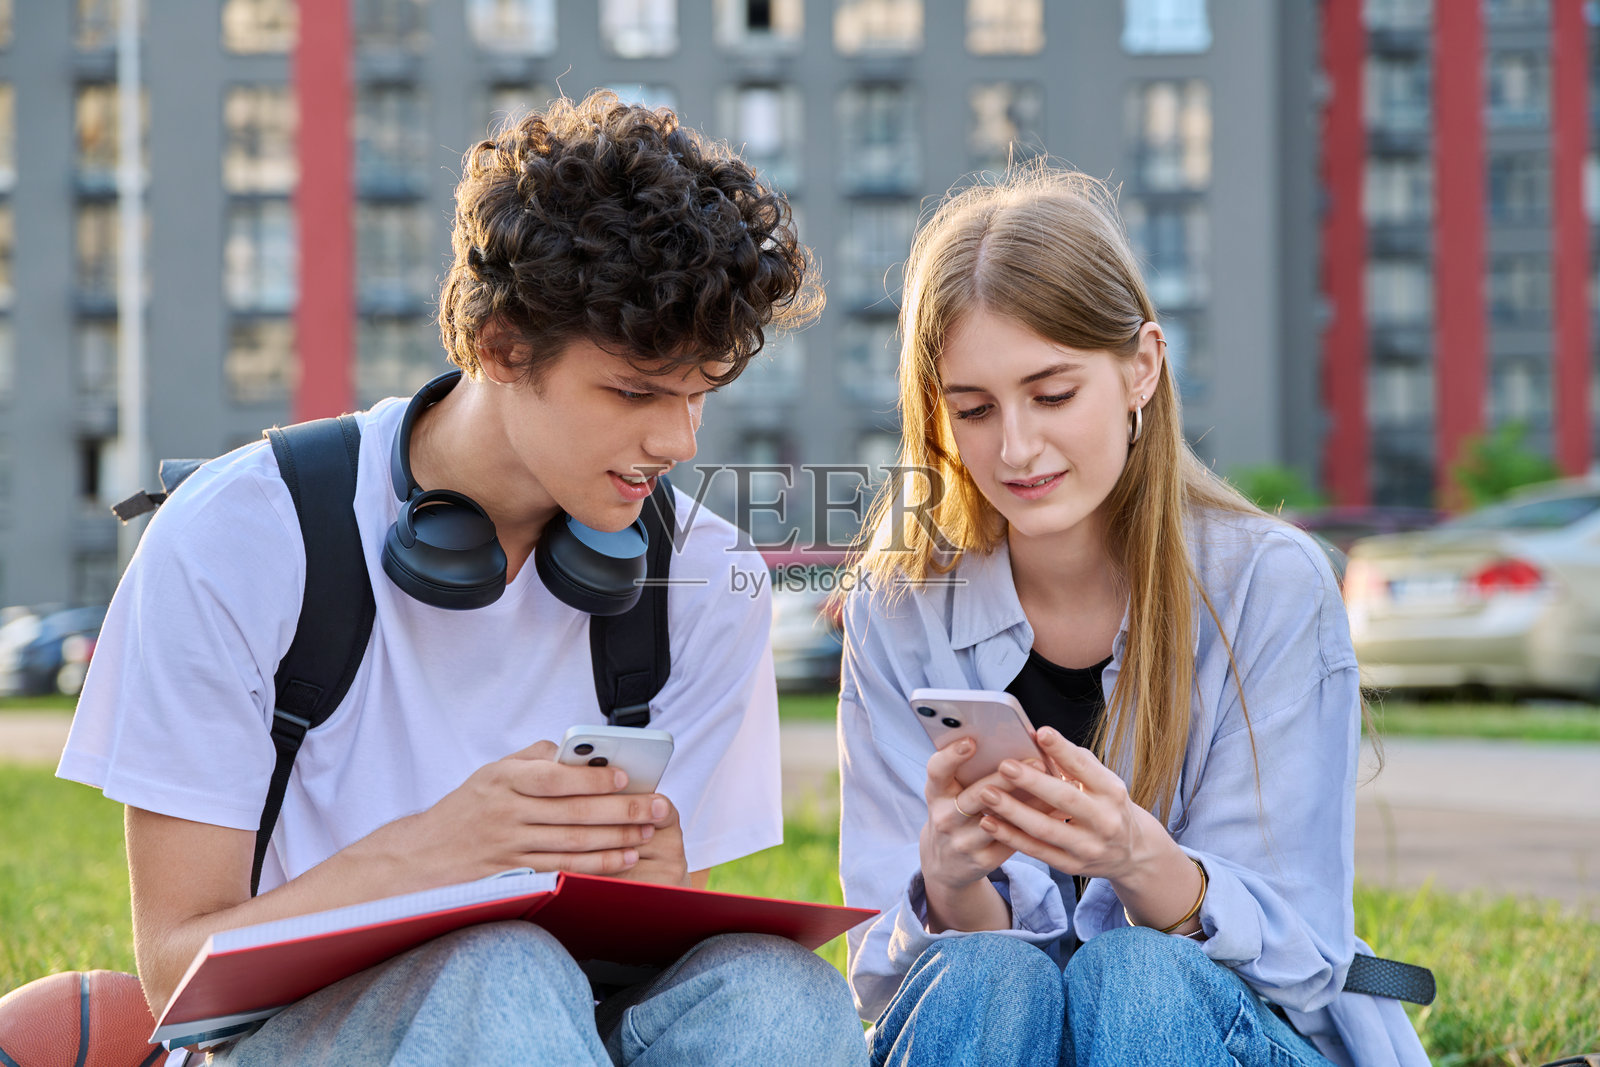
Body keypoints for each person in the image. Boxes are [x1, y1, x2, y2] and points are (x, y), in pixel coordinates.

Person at [58, 91, 866, 1066]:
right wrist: (440, 852)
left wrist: (654, 879)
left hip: (559, 1025)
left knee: (779, 994)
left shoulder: (698, 572)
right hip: (301, 1036)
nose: (677, 440)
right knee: (499, 967)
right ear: (501, 345)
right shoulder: (239, 533)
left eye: (699, 395)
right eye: (634, 392)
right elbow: (177, 968)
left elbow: (656, 959)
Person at [835, 167, 1429, 1067]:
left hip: (1221, 1033)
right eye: (975, 410)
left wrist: (1136, 856)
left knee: (1134, 978)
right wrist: (953, 883)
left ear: (1140, 367)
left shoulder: (1268, 584)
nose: (1018, 446)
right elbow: (892, 981)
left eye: (1053, 392)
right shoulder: (899, 605)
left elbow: (1300, 954)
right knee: (986, 974)